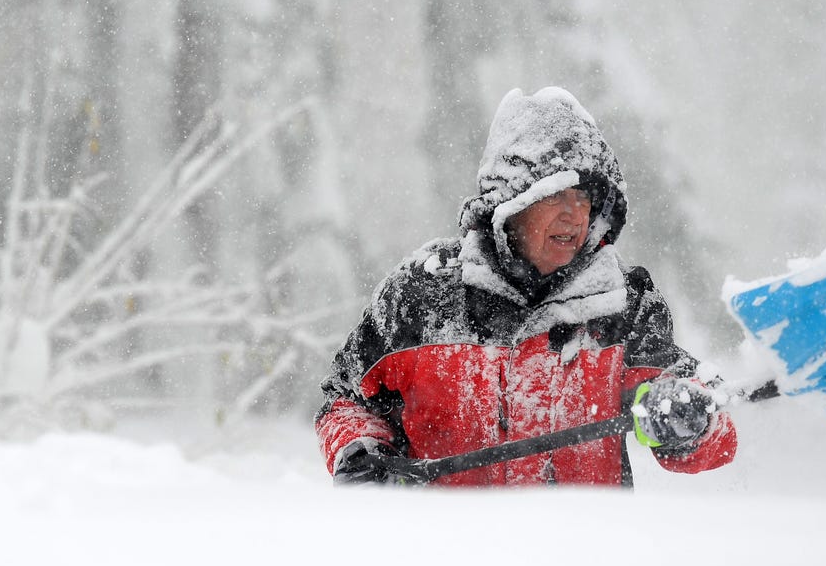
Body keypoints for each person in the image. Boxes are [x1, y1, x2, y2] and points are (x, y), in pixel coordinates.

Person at [316, 87, 737, 487]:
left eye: (586, 200)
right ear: (511, 202)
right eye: (558, 196)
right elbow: (345, 399)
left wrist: (688, 420)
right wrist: (360, 450)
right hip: (442, 555)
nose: (575, 217)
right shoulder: (421, 296)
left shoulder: (623, 305)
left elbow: (705, 425)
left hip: (585, 555)